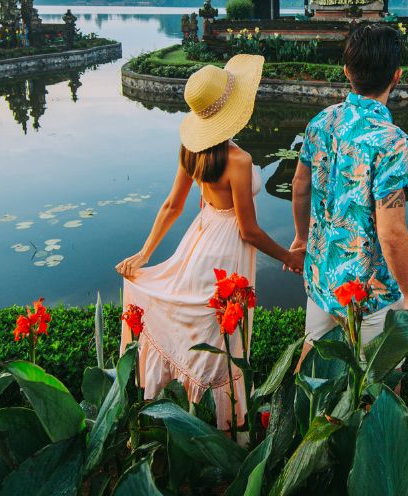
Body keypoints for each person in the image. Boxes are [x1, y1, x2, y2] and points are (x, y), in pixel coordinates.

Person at [116, 54, 304, 429]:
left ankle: (187, 412)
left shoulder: (192, 150)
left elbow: (172, 206)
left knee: (202, 323)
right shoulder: (239, 160)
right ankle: (224, 425)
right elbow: (248, 230)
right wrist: (289, 256)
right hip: (228, 249)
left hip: (199, 240)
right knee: (222, 336)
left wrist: (145, 254)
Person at [290, 23, 408, 357]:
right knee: (379, 386)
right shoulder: (391, 141)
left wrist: (301, 238)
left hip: (322, 275)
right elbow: (391, 230)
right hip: (370, 292)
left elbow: (299, 187)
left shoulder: (320, 122)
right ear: (397, 76)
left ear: (347, 71)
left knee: (312, 374)